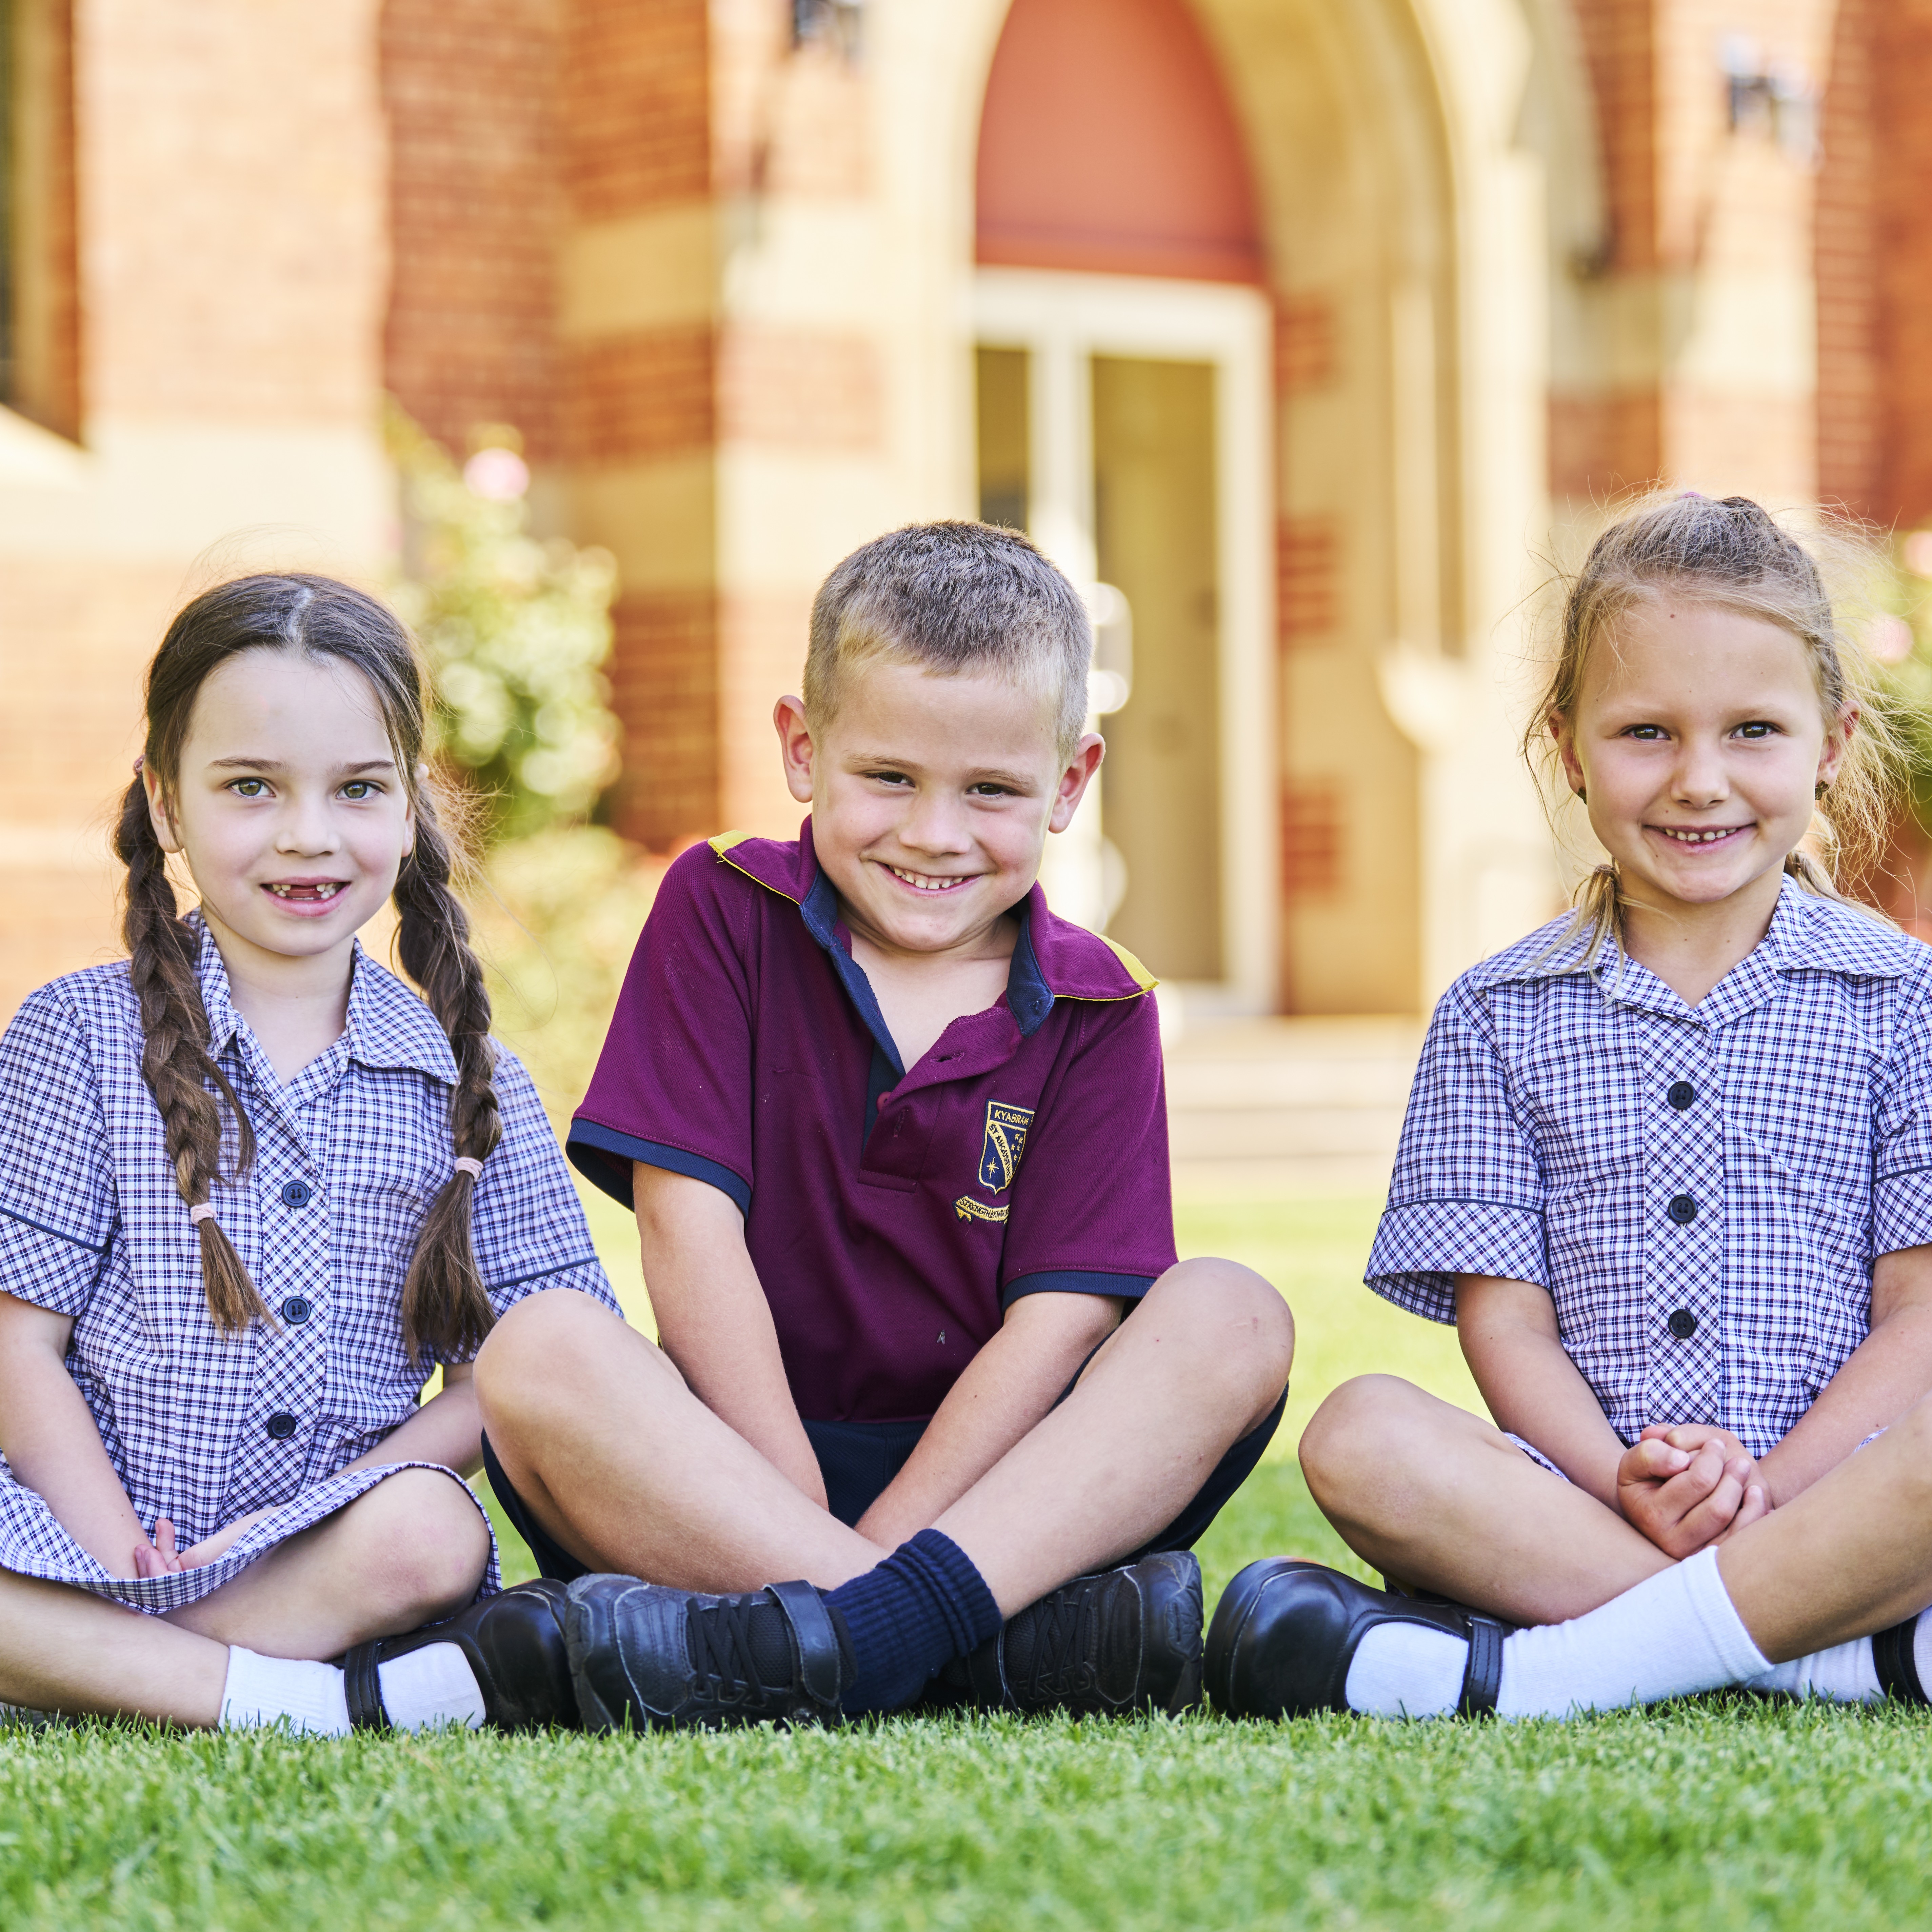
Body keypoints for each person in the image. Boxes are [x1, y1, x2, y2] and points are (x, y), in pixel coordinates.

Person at [473, 521, 1295, 1729]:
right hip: (727, 1470)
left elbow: (1061, 1322)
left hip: (1001, 1493)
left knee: (1235, 1316)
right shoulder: (721, 906)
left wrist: (901, 1553)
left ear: (1070, 783)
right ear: (803, 749)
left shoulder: (1100, 1001)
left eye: (994, 791)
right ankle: (985, 1646)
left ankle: (791, 1641)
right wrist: (805, 1524)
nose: (934, 833)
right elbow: (686, 1230)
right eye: (889, 779)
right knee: (537, 1349)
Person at [1209, 493, 1932, 1717]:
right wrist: (1623, 1478)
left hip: (1845, 1497)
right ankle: (1825, 1659)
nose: (1699, 781)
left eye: (1752, 729)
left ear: (1830, 743)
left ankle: (1551, 1673)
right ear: (1567, 747)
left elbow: (1916, 1316)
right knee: (1359, 1431)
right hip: (1585, 1504)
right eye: (1646, 731)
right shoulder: (1495, 1014)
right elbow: (1508, 1326)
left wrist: (1765, 1494)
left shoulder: (1906, 1001)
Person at [0, 574, 621, 1734]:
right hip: (78, 1527)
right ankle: (285, 1699)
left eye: (358, 790)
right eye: (250, 787)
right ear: (166, 802)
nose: (308, 835)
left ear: (412, 806)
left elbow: (526, 1368)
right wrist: (116, 1553)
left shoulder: (468, 1080)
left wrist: (334, 1502)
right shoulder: (76, 1035)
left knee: (434, 1527)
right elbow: (16, 1341)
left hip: (322, 1555)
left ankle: (101, 1670)